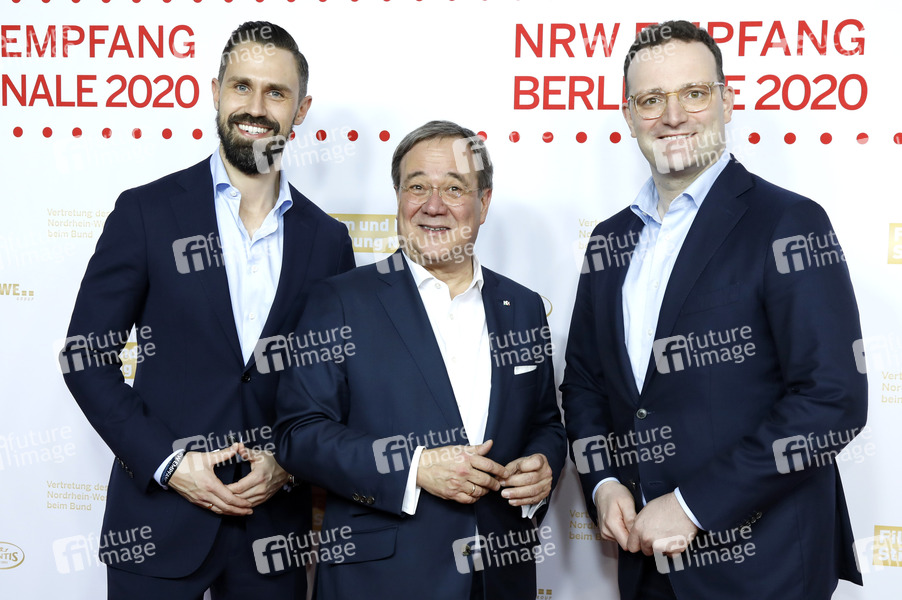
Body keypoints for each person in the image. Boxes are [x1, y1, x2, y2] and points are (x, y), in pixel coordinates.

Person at [560, 20, 867, 600]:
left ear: (726, 103)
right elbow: (584, 383)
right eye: (652, 100)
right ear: (629, 115)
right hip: (645, 565)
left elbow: (832, 400)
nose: (673, 116)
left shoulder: (789, 222)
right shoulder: (608, 239)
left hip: (766, 568)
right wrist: (603, 480)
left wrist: (692, 505)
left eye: (694, 93)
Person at [60, 21, 354, 599]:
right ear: (216, 91)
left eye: (276, 92)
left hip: (273, 534)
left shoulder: (328, 240)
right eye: (242, 86)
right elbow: (85, 358)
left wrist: (288, 464)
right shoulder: (145, 213)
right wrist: (170, 464)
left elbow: (337, 384)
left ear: (301, 109)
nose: (256, 107)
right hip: (155, 526)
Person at [274, 120, 567, 599]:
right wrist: (413, 469)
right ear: (397, 197)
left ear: (484, 203)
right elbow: (299, 435)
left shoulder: (523, 306)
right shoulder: (340, 301)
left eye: (454, 188)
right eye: (417, 187)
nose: (433, 205)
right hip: (382, 582)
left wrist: (542, 466)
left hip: (500, 576)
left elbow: (545, 423)